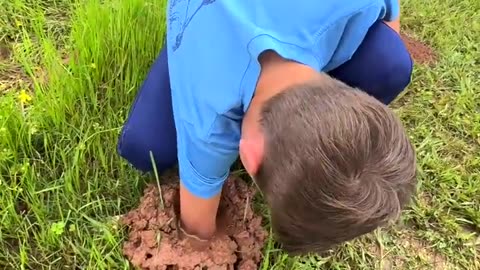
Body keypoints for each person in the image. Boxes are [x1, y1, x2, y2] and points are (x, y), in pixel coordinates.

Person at [117, 0, 417, 254]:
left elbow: (388, 16)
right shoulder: (210, 97)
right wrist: (197, 246)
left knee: (390, 60)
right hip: (206, 21)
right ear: (247, 154)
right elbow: (197, 226)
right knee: (146, 147)